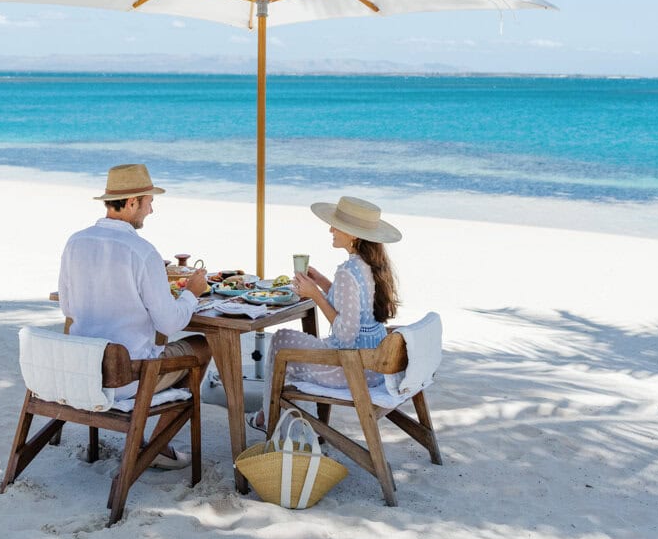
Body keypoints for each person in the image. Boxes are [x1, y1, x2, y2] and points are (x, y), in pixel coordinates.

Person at [58, 162, 212, 468]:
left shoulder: (75, 242)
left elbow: (68, 308)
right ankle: (156, 446)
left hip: (83, 368)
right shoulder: (142, 251)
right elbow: (170, 323)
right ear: (131, 202)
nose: (151, 210)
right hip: (126, 377)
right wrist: (192, 293)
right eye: (149, 202)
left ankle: (148, 439)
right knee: (202, 346)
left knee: (155, 341)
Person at [248, 195, 401, 430]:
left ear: (353, 234)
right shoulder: (372, 265)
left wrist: (315, 296)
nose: (331, 229)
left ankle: (269, 417)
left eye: (336, 226)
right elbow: (356, 307)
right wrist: (322, 282)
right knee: (291, 346)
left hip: (352, 370)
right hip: (375, 366)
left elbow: (346, 334)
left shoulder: (348, 271)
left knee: (281, 340)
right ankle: (273, 413)